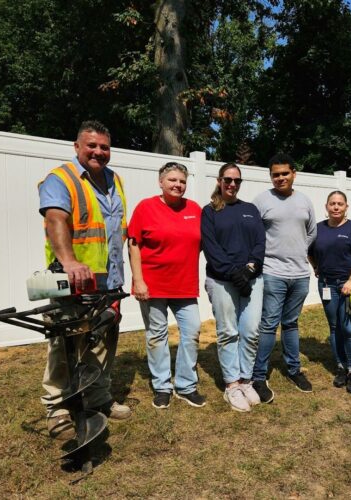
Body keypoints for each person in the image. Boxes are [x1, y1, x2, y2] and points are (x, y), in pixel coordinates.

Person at [38, 120, 131, 440]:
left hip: (109, 280)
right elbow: (55, 220)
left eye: (104, 147)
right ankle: (58, 408)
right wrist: (70, 261)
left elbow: (119, 230)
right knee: (63, 342)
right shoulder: (60, 179)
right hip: (73, 278)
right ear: (77, 146)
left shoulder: (114, 180)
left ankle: (97, 397)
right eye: (91, 145)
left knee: (104, 341)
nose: (98, 152)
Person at [128, 162, 206, 409]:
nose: (177, 185)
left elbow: (203, 242)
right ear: (160, 182)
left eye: (182, 181)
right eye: (172, 180)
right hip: (152, 285)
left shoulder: (194, 209)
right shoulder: (145, 207)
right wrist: (138, 280)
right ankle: (162, 386)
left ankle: (186, 385)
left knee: (192, 331)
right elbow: (133, 244)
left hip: (184, 285)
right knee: (156, 336)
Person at [251, 153, 317, 403]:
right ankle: (259, 376)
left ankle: (294, 370)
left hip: (300, 274)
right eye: (275, 174)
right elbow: (254, 233)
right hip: (272, 273)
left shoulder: (304, 200)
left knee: (291, 323)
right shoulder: (262, 200)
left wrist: (299, 250)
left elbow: (312, 232)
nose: (280, 178)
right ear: (271, 176)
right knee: (269, 324)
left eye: (284, 173)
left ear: (294, 174)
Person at [201, 163, 266, 412]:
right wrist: (234, 274)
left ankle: (246, 379)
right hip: (221, 281)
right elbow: (212, 248)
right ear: (219, 181)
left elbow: (260, 242)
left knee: (250, 331)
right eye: (227, 179)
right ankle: (232, 384)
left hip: (252, 279)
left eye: (237, 180)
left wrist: (249, 270)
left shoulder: (250, 209)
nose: (232, 184)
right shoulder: (210, 212)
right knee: (228, 332)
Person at [308, 191, 351, 394]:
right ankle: (341, 367)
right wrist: (315, 267)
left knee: (350, 329)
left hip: (350, 286)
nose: (336, 207)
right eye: (332, 204)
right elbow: (309, 251)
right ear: (326, 206)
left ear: (346, 207)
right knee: (334, 327)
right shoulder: (318, 228)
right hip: (326, 285)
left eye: (340, 204)